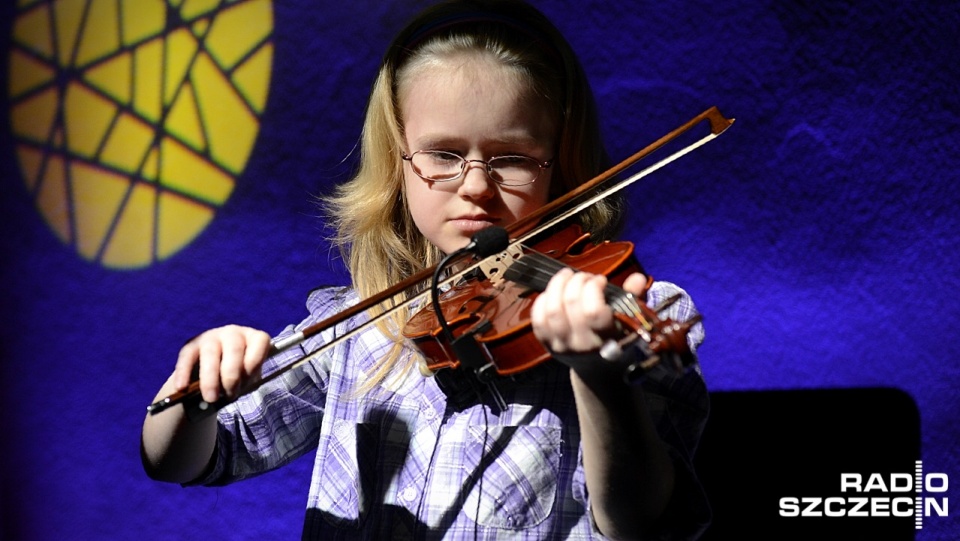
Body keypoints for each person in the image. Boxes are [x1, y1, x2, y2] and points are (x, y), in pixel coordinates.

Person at [141, 0, 710, 539]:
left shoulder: (641, 309)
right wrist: (194, 393)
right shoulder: (358, 327)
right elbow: (195, 457)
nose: (476, 186)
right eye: (443, 154)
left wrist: (599, 375)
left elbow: (642, 522)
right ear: (399, 164)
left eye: (512, 159)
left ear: (560, 165)